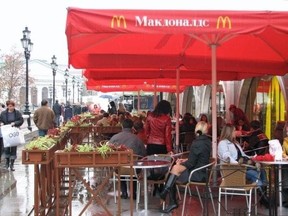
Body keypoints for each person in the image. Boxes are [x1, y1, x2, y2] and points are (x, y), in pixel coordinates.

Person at [159, 121, 212, 213]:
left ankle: (167, 196)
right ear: (206, 130)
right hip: (203, 171)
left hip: (196, 174)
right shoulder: (207, 141)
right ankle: (167, 196)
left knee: (175, 170)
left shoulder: (196, 143)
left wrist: (181, 164)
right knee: (174, 172)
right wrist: (185, 161)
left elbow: (191, 164)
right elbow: (198, 158)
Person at [218, 123, 269, 208]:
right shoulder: (223, 144)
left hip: (242, 167)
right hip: (234, 170)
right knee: (255, 174)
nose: (236, 133)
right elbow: (227, 157)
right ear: (229, 132)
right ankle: (264, 199)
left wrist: (252, 158)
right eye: (234, 131)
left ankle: (264, 197)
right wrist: (239, 164)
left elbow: (243, 155)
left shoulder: (235, 143)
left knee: (262, 170)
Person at [109, 118, 146, 199]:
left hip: (119, 168)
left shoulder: (114, 138)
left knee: (120, 166)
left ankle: (124, 192)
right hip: (134, 168)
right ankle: (133, 193)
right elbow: (143, 154)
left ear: (122, 126)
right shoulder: (137, 139)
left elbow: (109, 152)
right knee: (133, 169)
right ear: (132, 127)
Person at [0, 100, 24, 171]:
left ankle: (12, 164)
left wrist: (15, 123)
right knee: (6, 147)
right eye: (10, 106)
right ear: (7, 106)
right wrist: (1, 123)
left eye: (12, 106)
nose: (11, 107)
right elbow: (0, 120)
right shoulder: (3, 113)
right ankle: (7, 163)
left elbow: (21, 120)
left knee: (13, 148)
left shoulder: (17, 113)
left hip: (14, 132)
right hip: (6, 132)